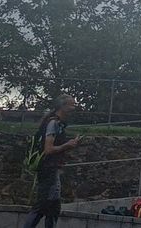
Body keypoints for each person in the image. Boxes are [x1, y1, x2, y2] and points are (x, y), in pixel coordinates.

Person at [22, 95, 81, 228]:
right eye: (72, 105)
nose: (74, 108)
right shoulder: (53, 123)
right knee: (42, 205)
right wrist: (67, 145)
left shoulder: (57, 123)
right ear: (63, 106)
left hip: (51, 168)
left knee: (53, 208)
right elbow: (48, 149)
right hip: (48, 169)